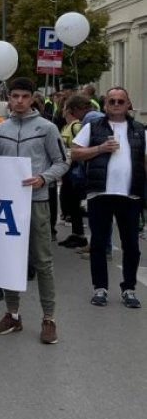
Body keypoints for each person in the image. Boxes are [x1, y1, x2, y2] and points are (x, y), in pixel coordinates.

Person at [0, 77, 69, 344]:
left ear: (33, 97)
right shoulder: (0, 129)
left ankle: (49, 319)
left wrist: (43, 178)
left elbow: (62, 162)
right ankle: (12, 315)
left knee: (43, 262)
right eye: (15, 96)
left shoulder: (47, 128)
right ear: (8, 98)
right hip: (8, 205)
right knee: (10, 259)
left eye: (25, 96)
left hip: (37, 202)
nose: (20, 101)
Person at [71, 86, 145, 309]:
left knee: (131, 245)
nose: (116, 105)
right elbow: (75, 153)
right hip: (100, 193)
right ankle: (100, 288)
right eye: (112, 101)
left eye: (120, 101)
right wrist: (101, 148)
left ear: (128, 104)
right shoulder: (93, 127)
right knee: (98, 243)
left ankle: (129, 288)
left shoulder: (139, 130)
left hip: (130, 195)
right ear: (105, 105)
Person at [57, 95, 91, 249]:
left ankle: (80, 236)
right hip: (67, 168)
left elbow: (83, 146)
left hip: (75, 169)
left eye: (64, 108)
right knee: (69, 202)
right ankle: (76, 233)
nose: (62, 110)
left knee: (74, 202)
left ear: (70, 110)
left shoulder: (77, 126)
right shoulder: (66, 126)